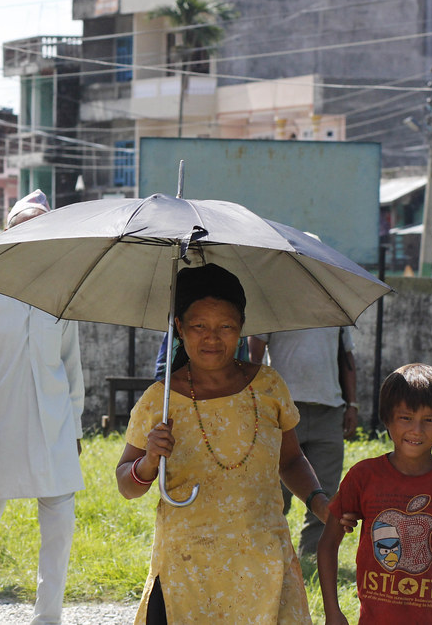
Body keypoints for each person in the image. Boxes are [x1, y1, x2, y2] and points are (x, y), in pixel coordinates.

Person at [115, 263, 331, 624]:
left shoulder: (269, 386)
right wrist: (149, 461)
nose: (212, 338)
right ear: (180, 328)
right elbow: (126, 484)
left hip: (263, 559)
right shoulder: (161, 399)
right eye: (199, 326)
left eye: (225, 327)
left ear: (242, 329)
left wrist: (319, 502)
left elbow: (291, 461)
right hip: (187, 568)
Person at [0, 190, 84, 625]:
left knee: (60, 529)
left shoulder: (63, 286)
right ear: (7, 233)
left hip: (53, 425)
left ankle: (48, 619)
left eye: (40, 229)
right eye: (22, 228)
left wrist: (75, 427)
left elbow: (71, 364)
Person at [318, 363, 432, 625]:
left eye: (429, 420)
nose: (416, 430)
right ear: (387, 418)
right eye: (406, 417)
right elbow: (328, 545)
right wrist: (333, 611)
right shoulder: (364, 477)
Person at [249, 324, 358, 556]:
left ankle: (313, 556)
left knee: (326, 492)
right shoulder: (275, 301)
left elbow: (348, 359)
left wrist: (353, 404)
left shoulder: (334, 308)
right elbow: (254, 356)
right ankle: (265, 552)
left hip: (329, 409)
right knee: (275, 489)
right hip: (281, 406)